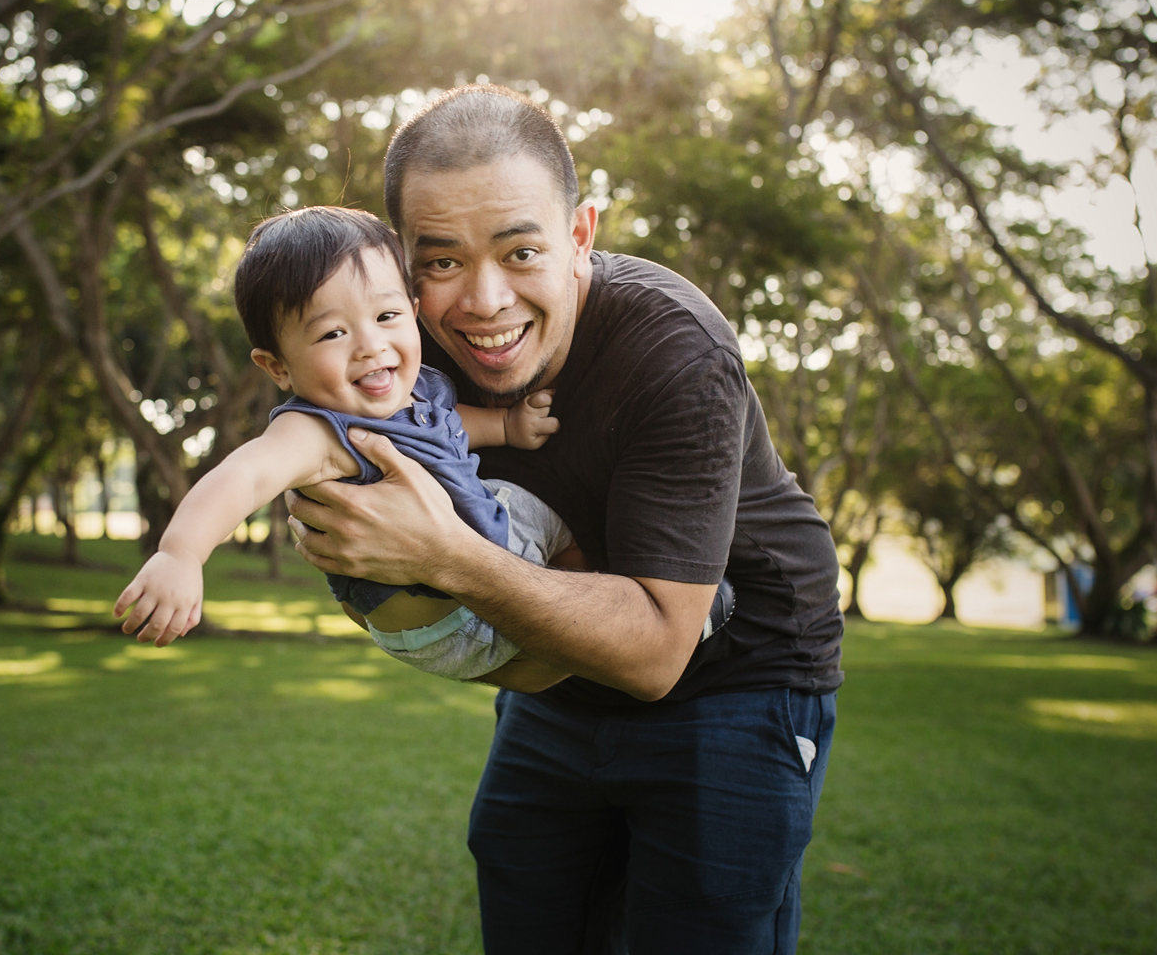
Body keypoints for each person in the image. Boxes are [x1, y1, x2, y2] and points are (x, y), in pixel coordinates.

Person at [285, 85, 845, 953]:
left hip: (739, 675)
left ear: (580, 235)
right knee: (530, 911)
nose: (483, 301)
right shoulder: (394, 346)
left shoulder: (675, 350)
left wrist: (446, 557)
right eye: (440, 262)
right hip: (556, 675)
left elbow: (658, 652)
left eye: (520, 251)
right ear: (402, 260)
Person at [112, 205, 571, 681]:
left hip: (489, 576)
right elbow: (243, 477)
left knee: (544, 521)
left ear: (413, 314)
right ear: (278, 367)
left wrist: (506, 426)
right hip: (456, 620)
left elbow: (445, 425)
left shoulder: (419, 388)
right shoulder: (314, 431)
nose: (370, 343)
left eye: (387, 315)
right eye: (333, 332)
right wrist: (181, 554)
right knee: (566, 537)